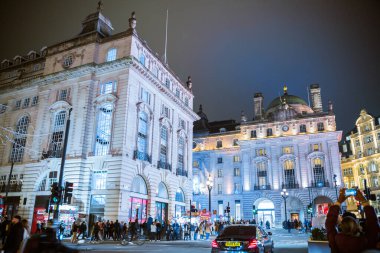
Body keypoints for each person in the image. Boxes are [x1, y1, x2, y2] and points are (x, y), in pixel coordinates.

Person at [326, 188, 379, 253]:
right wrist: (364, 201)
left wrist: (339, 201)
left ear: (341, 227)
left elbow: (329, 224)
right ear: (357, 225)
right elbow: (373, 224)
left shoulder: (335, 241)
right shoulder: (365, 241)